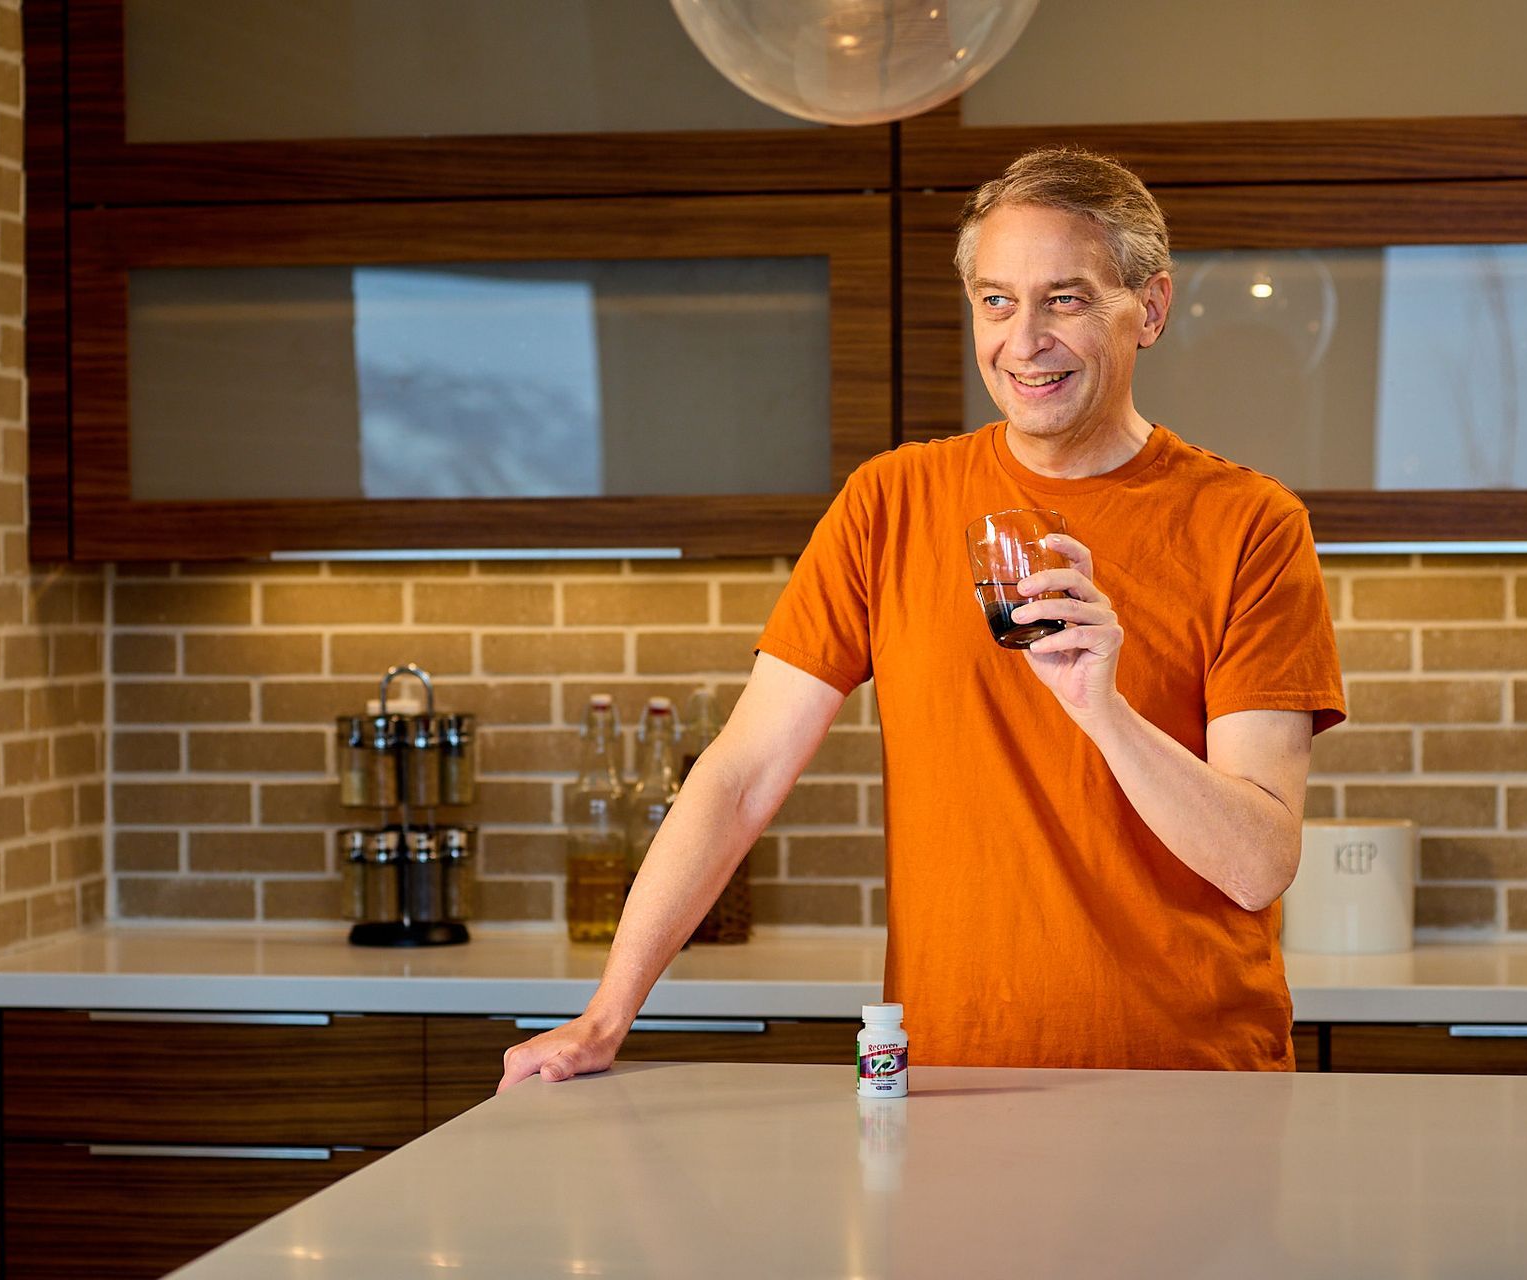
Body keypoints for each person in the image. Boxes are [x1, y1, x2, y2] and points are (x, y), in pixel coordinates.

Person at [499, 146, 1345, 1088]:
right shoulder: (891, 504)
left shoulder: (1249, 525)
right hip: (951, 1083)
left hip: (1187, 1083)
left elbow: (1260, 862)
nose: (1023, 340)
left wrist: (1103, 709)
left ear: (1147, 309)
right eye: (996, 300)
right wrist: (607, 1014)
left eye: (1064, 299)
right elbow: (738, 777)